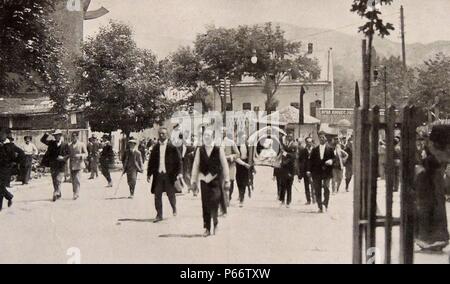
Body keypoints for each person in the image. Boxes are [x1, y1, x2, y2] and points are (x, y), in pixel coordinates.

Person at [414, 122, 450, 252]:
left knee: (431, 205)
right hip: (431, 177)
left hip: (433, 177)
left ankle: (429, 237)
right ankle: (432, 237)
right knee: (431, 205)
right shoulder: (435, 149)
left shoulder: (433, 147)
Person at [191, 129, 230, 237]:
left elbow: (225, 165)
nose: (206, 137)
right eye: (205, 135)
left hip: (216, 181)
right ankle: (207, 228)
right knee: (205, 205)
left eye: (208, 135)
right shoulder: (200, 150)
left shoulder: (218, 150)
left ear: (213, 137)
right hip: (204, 180)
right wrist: (193, 181)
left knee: (214, 202)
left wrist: (227, 180)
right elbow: (196, 165)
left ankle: (215, 223)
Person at [147, 127, 183, 223]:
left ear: (167, 135)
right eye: (160, 134)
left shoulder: (172, 147)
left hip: (169, 175)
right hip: (158, 175)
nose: (161, 135)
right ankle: (159, 215)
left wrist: (179, 172)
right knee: (157, 195)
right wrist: (149, 174)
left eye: (163, 134)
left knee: (170, 194)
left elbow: (179, 161)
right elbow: (151, 161)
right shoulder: (155, 147)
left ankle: (174, 207)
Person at [41, 130, 70, 201]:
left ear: (60, 136)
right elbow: (42, 140)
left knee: (58, 179)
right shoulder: (51, 143)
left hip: (61, 165)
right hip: (53, 164)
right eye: (55, 135)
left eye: (58, 135)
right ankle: (58, 193)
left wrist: (63, 158)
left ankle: (55, 192)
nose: (56, 137)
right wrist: (47, 134)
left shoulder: (65, 144)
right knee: (54, 180)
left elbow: (68, 154)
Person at [310, 131, 335, 213]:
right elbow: (311, 161)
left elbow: (334, 159)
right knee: (317, 189)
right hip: (316, 173)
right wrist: (308, 171)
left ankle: (325, 204)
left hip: (327, 172)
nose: (321, 139)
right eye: (320, 137)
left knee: (326, 187)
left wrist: (331, 161)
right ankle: (320, 206)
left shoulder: (330, 149)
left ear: (326, 139)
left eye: (323, 137)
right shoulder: (314, 150)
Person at [274, 134, 297, 208]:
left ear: (292, 137)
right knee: (283, 184)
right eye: (288, 137)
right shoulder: (285, 144)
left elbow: (293, 156)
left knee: (289, 186)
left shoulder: (294, 145)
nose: (289, 138)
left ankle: (288, 201)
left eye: (290, 137)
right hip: (284, 168)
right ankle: (282, 200)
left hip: (290, 168)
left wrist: (284, 153)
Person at [220, 127, 240, 209]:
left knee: (230, 182)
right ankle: (223, 200)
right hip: (220, 166)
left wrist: (231, 156)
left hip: (230, 165)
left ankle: (229, 198)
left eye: (223, 132)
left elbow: (238, 154)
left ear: (225, 133)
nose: (221, 133)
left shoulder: (231, 142)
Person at [68, 132, 88, 200]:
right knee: (73, 180)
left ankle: (77, 193)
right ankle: (74, 192)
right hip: (72, 165)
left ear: (77, 137)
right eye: (72, 136)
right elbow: (68, 154)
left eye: (74, 136)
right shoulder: (69, 145)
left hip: (79, 164)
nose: (73, 137)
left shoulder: (81, 144)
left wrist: (80, 156)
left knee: (77, 179)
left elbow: (86, 154)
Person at [235, 132, 252, 207]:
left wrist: (251, 166)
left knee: (244, 182)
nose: (243, 139)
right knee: (239, 181)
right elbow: (236, 157)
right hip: (239, 165)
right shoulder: (236, 146)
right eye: (242, 138)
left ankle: (242, 199)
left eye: (244, 138)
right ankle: (240, 193)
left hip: (246, 165)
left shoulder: (247, 145)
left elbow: (251, 155)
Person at [0, 129, 15, 211]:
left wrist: (13, 164)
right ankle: (9, 196)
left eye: (2, 134)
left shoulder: (10, 145)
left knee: (0, 186)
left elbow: (19, 155)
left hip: (5, 169)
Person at [298, 137, 315, 205]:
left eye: (310, 142)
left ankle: (314, 199)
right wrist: (300, 174)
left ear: (312, 142)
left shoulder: (315, 150)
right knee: (306, 186)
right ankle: (308, 200)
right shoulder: (303, 151)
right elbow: (300, 161)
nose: (309, 143)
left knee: (313, 185)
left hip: (313, 171)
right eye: (307, 142)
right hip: (305, 171)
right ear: (306, 142)